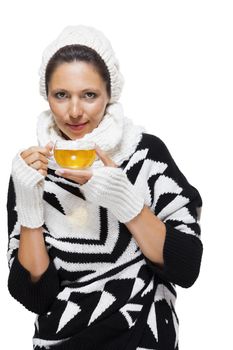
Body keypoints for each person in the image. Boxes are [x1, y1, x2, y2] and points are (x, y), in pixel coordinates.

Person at [6, 25, 203, 350]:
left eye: (89, 95)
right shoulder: (32, 171)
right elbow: (35, 297)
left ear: (110, 94)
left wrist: (126, 202)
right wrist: (30, 211)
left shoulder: (146, 154)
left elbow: (186, 267)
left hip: (143, 336)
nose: (74, 111)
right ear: (47, 96)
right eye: (61, 95)